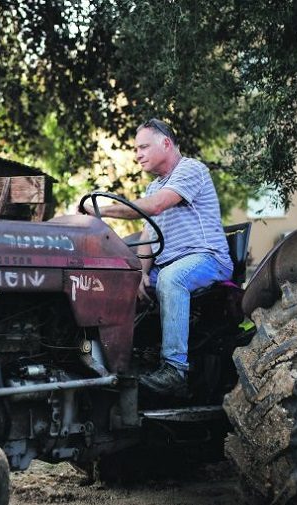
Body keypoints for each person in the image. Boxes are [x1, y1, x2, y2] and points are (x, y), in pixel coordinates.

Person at [80, 119, 233, 396]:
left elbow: (156, 206)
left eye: (143, 147)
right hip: (168, 264)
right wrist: (138, 275)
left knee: (171, 279)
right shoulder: (153, 187)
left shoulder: (191, 170)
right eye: (136, 149)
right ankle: (104, 361)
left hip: (207, 259)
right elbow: (148, 239)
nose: (137, 154)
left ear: (165, 143)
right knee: (115, 282)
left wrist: (100, 209)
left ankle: (175, 370)